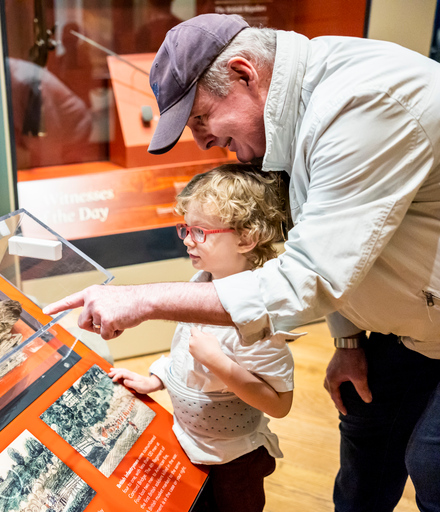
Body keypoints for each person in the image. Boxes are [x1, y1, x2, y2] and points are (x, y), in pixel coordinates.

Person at [43, 13, 440, 512]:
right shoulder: (302, 111)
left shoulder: (362, 103)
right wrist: (348, 339)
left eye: (201, 119)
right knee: (368, 435)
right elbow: (331, 235)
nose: (203, 142)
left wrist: (142, 298)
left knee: (432, 463)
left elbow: (308, 277)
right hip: (405, 323)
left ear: (243, 74)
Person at [109, 164, 298, 512]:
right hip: (188, 444)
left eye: (199, 230)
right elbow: (186, 355)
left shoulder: (259, 317)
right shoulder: (200, 283)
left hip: (233, 460)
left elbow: (279, 403)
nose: (186, 239)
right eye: (185, 228)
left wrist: (220, 363)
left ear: (245, 238)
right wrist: (157, 378)